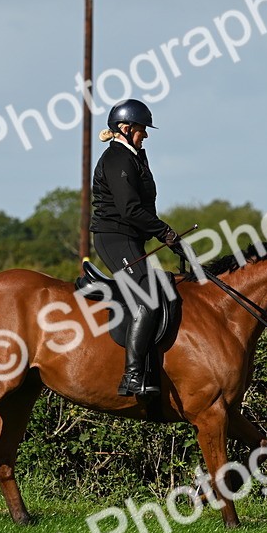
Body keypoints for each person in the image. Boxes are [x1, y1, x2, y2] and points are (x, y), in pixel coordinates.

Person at [90, 98, 182, 397]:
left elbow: (144, 209)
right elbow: (130, 210)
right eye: (142, 130)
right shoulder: (118, 159)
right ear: (126, 129)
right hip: (114, 237)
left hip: (131, 238)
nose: (146, 135)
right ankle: (131, 376)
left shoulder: (135, 155)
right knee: (148, 297)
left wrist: (166, 237)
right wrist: (165, 232)